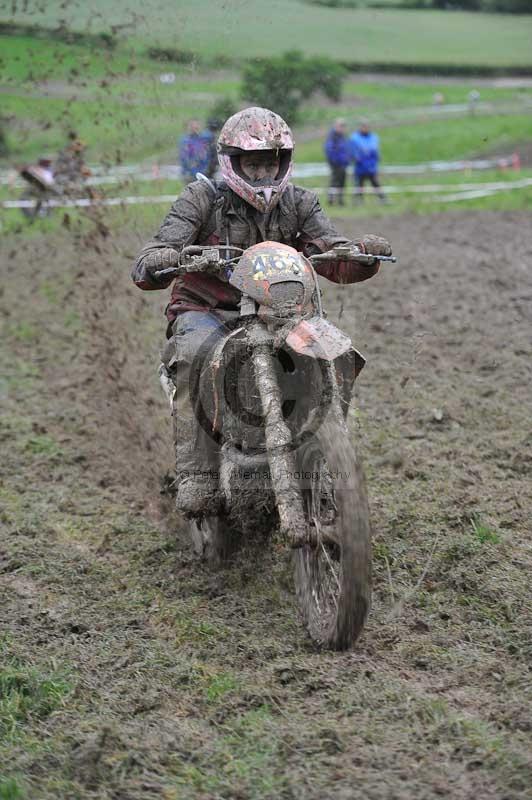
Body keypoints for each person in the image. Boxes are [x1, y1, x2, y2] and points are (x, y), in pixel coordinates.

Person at [132, 107, 392, 516]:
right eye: (251, 163)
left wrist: (364, 255)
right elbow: (152, 259)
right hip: (209, 309)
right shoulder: (201, 198)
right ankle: (197, 472)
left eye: (269, 163)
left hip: (282, 313)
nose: (261, 175)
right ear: (232, 162)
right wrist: (161, 257)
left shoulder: (301, 202)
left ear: (283, 162)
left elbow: (332, 255)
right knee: (194, 355)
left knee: (336, 353)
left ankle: (325, 454)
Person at [350, 120, 386, 204]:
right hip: (360, 166)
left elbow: (375, 152)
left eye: (366, 127)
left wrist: (375, 160)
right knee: (359, 185)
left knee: (375, 183)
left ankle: (382, 199)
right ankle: (358, 201)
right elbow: (354, 153)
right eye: (363, 126)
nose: (365, 128)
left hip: (371, 166)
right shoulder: (355, 138)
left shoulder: (373, 137)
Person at [324, 118, 350, 205]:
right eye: (340, 126)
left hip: (343, 164)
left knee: (342, 182)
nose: (342, 128)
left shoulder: (343, 137)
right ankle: (331, 199)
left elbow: (346, 150)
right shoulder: (332, 137)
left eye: (343, 126)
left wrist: (347, 160)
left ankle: (340, 200)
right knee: (334, 181)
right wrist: (334, 161)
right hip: (335, 164)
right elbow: (329, 150)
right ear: (335, 126)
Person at [178, 119, 211, 183]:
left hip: (204, 173)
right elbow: (183, 158)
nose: (195, 128)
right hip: (190, 174)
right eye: (192, 126)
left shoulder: (205, 138)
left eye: (196, 126)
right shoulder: (185, 141)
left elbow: (208, 155)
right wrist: (186, 171)